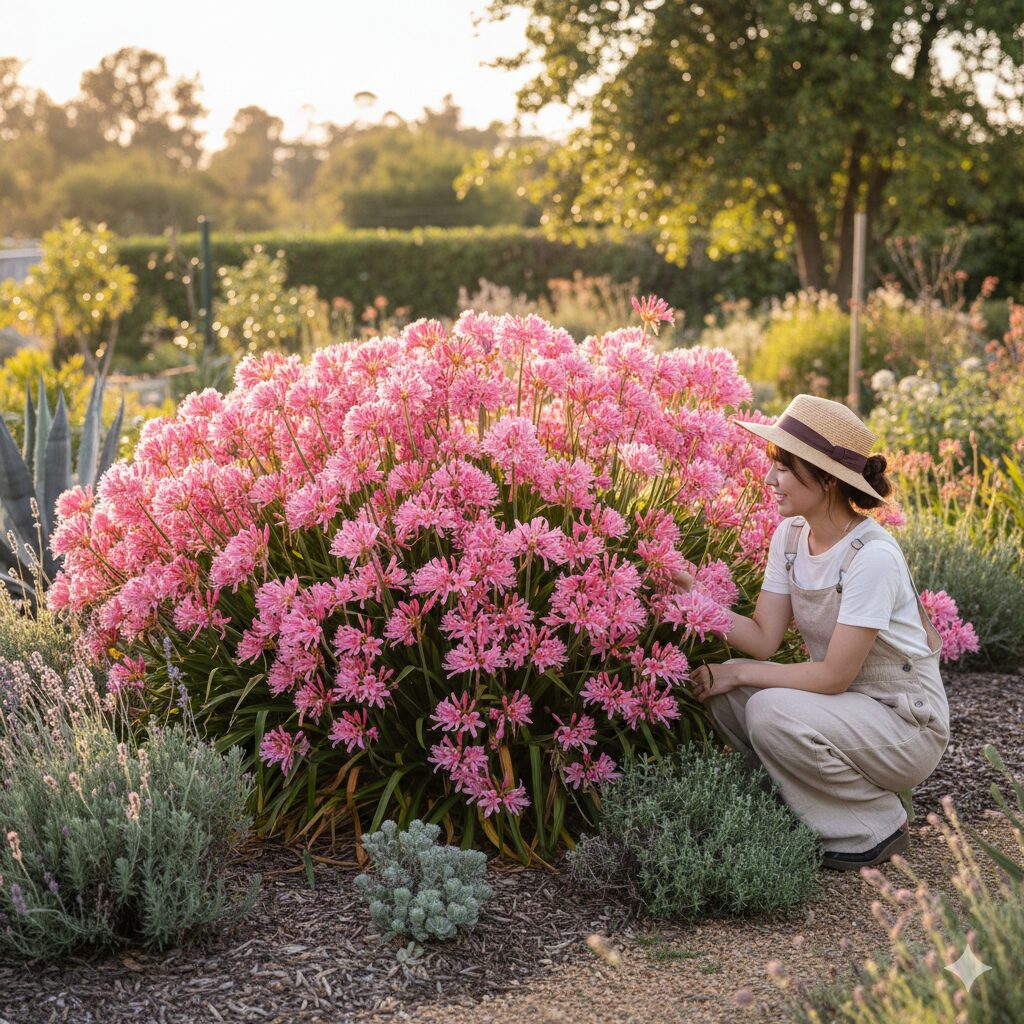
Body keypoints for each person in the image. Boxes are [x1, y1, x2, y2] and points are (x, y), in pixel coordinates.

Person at [672, 394, 950, 870]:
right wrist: (693, 596)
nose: (770, 480)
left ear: (826, 479)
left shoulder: (872, 557)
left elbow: (834, 677)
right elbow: (764, 638)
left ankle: (871, 825)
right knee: (722, 692)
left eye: (783, 468)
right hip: (845, 712)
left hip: (905, 724)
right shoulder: (791, 537)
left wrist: (740, 671)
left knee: (765, 704)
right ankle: (823, 806)